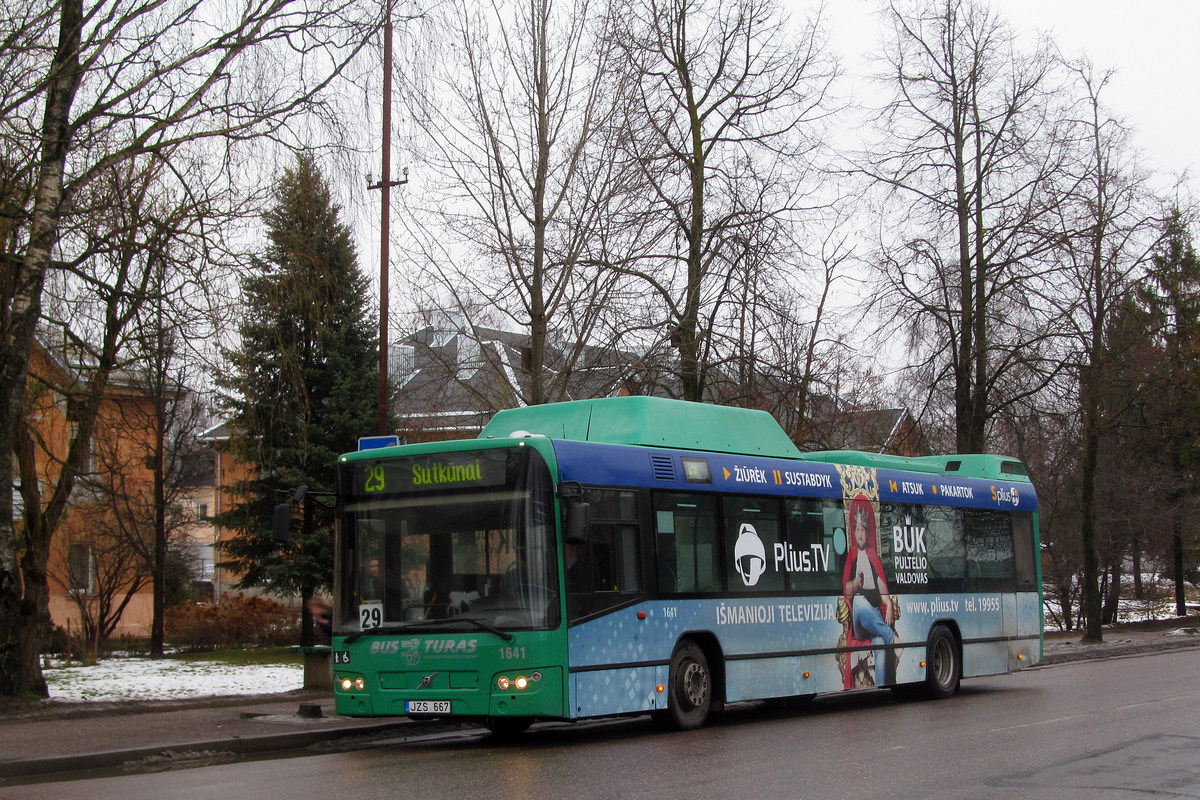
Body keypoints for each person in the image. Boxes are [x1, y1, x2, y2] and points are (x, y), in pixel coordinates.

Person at [841, 495, 895, 686]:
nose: (860, 534)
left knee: (879, 643)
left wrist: (887, 604)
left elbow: (882, 587)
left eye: (863, 529)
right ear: (853, 532)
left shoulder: (873, 556)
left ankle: (881, 685)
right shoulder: (851, 557)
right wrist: (856, 583)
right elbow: (847, 592)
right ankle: (892, 637)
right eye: (857, 529)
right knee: (859, 601)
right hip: (859, 622)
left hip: (873, 616)